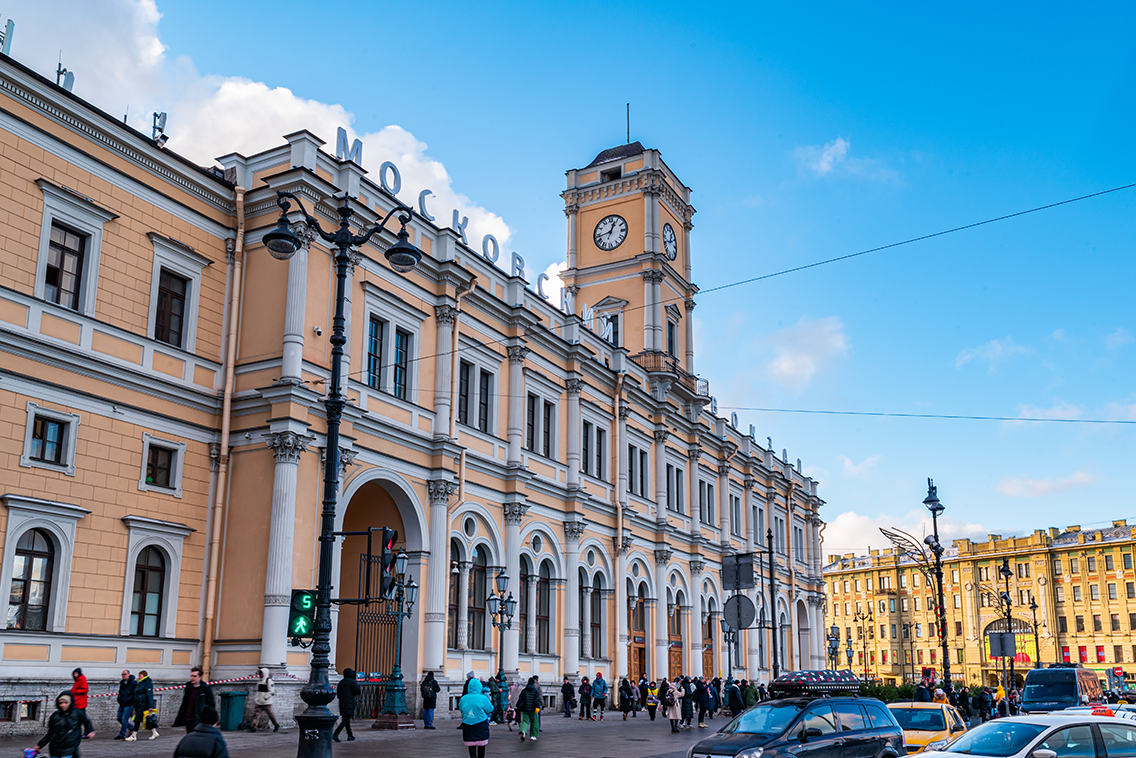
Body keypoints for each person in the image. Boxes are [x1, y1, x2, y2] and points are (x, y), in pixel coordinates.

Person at [32, 692, 94, 758]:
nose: (63, 705)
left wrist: (90, 731)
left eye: (65, 703)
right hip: (55, 749)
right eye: (61, 703)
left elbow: (87, 722)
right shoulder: (55, 716)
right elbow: (50, 733)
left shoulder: (77, 713)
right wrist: (40, 745)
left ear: (70, 703)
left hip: (70, 748)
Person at [173, 667, 216, 736]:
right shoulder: (188, 687)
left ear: (200, 677)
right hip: (188, 718)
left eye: (195, 676)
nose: (192, 678)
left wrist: (212, 719)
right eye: (191, 676)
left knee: (198, 738)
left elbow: (211, 704)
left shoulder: (205, 689)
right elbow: (185, 703)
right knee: (190, 737)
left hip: (199, 719)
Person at [459, 678, 493, 758]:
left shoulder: (463, 699)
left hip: (467, 724)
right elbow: (490, 709)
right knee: (481, 744)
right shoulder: (483, 698)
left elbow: (461, 709)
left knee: (471, 744)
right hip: (480, 724)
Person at [127, 669, 157, 741]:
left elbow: (149, 695)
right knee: (145, 720)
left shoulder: (147, 683)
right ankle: (154, 732)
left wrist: (151, 706)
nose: (139, 677)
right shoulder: (140, 683)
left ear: (144, 676)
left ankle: (134, 735)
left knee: (137, 720)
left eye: (140, 676)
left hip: (144, 705)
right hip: (139, 704)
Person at [248, 667, 279, 733]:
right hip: (259, 701)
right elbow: (257, 691)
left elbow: (271, 691)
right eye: (260, 673)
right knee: (256, 715)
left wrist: (265, 697)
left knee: (270, 715)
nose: (261, 674)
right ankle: (253, 727)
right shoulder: (259, 681)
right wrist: (256, 698)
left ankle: (276, 724)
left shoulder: (269, 681)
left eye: (262, 673)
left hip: (266, 702)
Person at [332, 668, 359, 742]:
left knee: (346, 719)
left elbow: (338, 694)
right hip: (350, 702)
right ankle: (335, 734)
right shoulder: (352, 682)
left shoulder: (341, 682)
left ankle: (350, 735)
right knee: (345, 720)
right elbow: (357, 691)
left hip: (342, 702)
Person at [516, 677, 541, 741]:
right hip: (533, 709)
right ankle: (533, 735)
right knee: (534, 722)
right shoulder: (536, 691)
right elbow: (537, 700)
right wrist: (538, 707)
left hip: (525, 709)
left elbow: (520, 699)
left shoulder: (524, 691)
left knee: (525, 721)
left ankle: (523, 730)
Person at [115, 669, 136, 740]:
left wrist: (129, 700)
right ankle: (132, 728)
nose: (123, 676)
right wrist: (119, 699)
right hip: (122, 703)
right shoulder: (122, 683)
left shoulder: (133, 683)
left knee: (124, 719)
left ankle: (122, 734)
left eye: (125, 674)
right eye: (122, 674)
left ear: (128, 675)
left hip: (128, 704)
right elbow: (120, 692)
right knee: (119, 718)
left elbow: (134, 694)